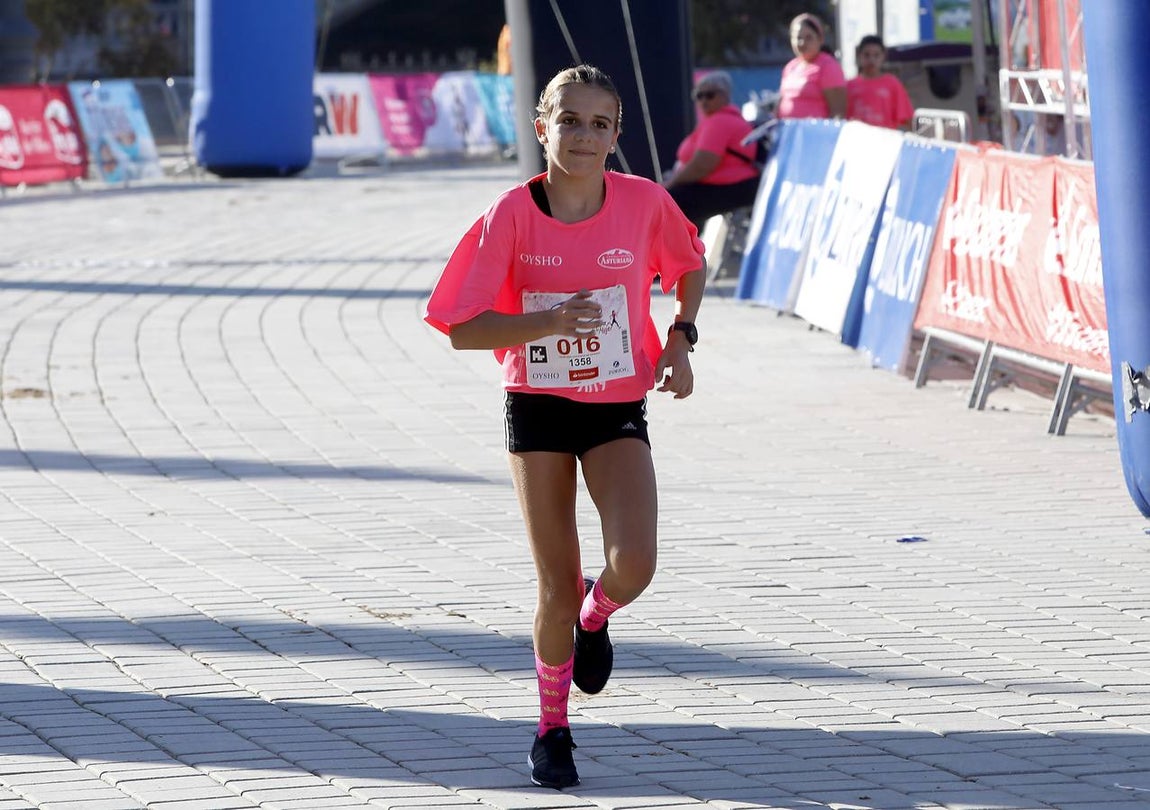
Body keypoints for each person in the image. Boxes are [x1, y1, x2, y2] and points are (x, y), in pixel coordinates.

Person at [423, 64, 706, 790]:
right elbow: (461, 328)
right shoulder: (511, 214)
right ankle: (553, 729)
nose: (583, 136)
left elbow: (690, 262)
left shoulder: (642, 203)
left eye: (599, 124)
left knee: (635, 563)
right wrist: (546, 321)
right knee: (552, 581)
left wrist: (680, 337)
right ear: (541, 126)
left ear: (617, 136)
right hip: (538, 406)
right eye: (569, 120)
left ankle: (595, 614)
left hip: (615, 406)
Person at [662, 70, 762, 232]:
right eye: (698, 96)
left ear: (725, 96)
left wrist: (669, 184)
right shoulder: (717, 120)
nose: (703, 101)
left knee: (663, 205)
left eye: (709, 95)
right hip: (726, 187)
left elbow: (703, 164)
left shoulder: (720, 121)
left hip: (731, 188)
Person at [777, 13, 847, 120]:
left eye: (808, 38)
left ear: (820, 39)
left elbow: (838, 111)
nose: (802, 43)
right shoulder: (790, 67)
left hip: (815, 134)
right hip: (790, 132)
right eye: (798, 37)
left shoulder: (828, 66)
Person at [847, 35, 914, 130]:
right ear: (859, 55)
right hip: (858, 139)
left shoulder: (892, 83)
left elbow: (907, 119)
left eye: (876, 55)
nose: (871, 60)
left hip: (885, 139)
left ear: (883, 56)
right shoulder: (849, 86)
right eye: (866, 55)